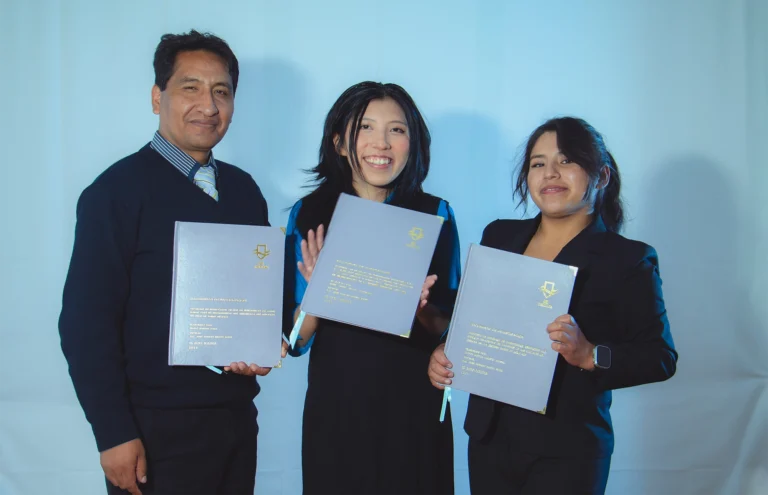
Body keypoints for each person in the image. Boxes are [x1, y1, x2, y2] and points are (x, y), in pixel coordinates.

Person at [58, 30, 284, 495]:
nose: (209, 104)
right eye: (191, 88)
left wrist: (265, 343)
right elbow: (85, 324)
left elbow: (257, 297)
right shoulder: (115, 193)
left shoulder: (244, 191)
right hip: (153, 433)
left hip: (235, 423)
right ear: (157, 96)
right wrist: (113, 432)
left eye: (221, 91)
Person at [428, 117, 678, 494]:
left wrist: (591, 354)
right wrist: (446, 351)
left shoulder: (628, 259)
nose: (551, 173)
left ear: (602, 176)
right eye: (538, 163)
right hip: (489, 437)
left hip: (568, 449)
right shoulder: (499, 236)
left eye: (567, 161)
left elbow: (661, 357)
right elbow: (472, 320)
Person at [283, 81, 461, 494]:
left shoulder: (434, 213)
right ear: (340, 142)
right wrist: (319, 291)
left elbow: (444, 327)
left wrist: (416, 306)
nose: (381, 142)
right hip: (339, 403)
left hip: (413, 401)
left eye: (397, 130)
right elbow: (295, 341)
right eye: (365, 127)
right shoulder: (309, 213)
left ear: (412, 143)